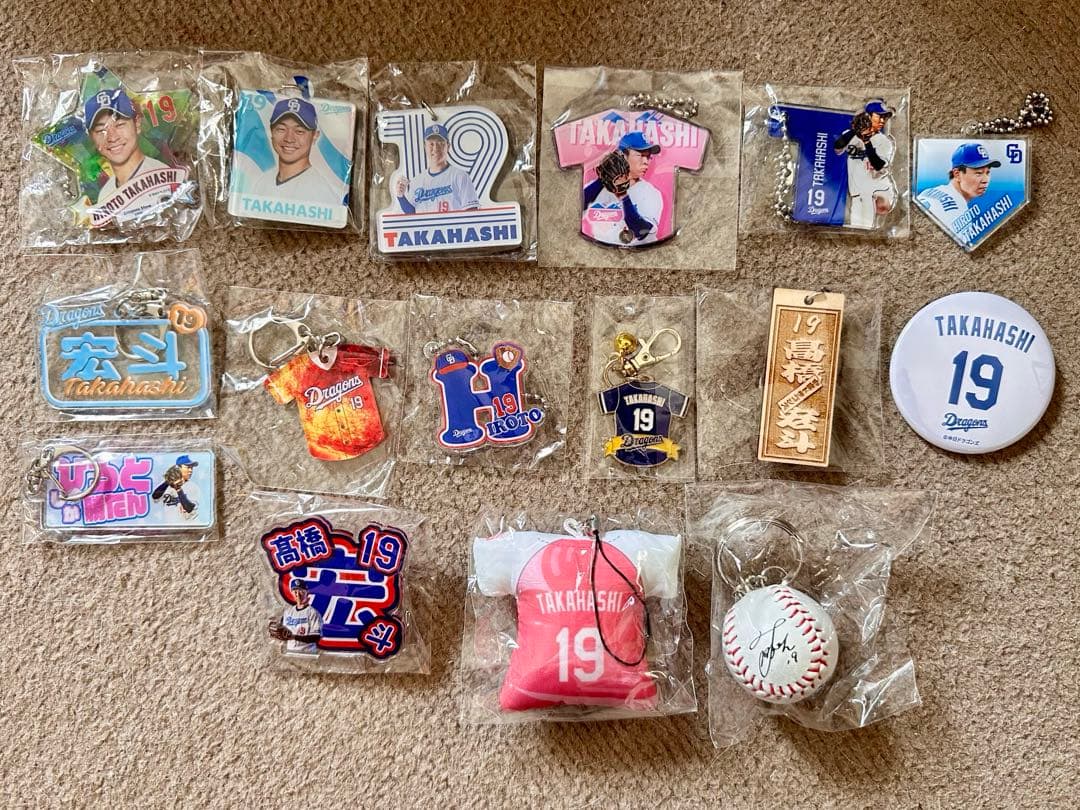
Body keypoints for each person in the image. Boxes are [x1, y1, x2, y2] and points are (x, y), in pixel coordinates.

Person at [246, 97, 342, 206]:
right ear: (272, 132)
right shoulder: (263, 182)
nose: (289, 138)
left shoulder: (323, 194)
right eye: (281, 129)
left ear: (315, 136)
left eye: (299, 131)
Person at [85, 88, 169, 199]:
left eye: (119, 125)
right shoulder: (105, 194)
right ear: (91, 137)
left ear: (137, 124)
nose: (112, 137)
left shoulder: (164, 177)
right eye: (101, 130)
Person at [583, 131, 663, 246]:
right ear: (622, 156)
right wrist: (601, 179)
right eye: (640, 155)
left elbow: (641, 230)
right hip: (599, 253)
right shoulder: (596, 189)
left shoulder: (651, 193)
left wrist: (623, 195)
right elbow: (576, 208)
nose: (646, 162)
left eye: (648, 156)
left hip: (640, 254)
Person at [833, 100, 897, 229]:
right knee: (857, 225)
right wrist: (855, 131)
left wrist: (867, 142)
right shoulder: (850, 135)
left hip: (878, 188)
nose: (883, 121)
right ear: (867, 116)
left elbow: (878, 165)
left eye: (884, 117)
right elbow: (837, 148)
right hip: (857, 190)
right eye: (879, 116)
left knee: (877, 211)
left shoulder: (884, 142)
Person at [916, 142, 1001, 236]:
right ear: (957, 174)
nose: (985, 180)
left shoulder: (929, 191)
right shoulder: (958, 213)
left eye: (987, 173)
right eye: (979, 173)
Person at [393, 123, 480, 213]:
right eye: (431, 144)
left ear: (448, 146)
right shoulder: (416, 182)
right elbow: (412, 214)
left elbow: (472, 211)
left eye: (440, 143)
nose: (435, 148)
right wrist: (401, 196)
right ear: (425, 147)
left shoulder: (460, 176)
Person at [268, 580, 323, 655]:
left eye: (301, 591)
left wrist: (293, 637)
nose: (298, 594)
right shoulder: (287, 612)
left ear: (307, 593)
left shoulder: (313, 613)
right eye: (295, 591)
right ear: (292, 593)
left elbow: (316, 637)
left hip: (308, 654)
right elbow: (281, 632)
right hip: (290, 653)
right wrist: (276, 635)